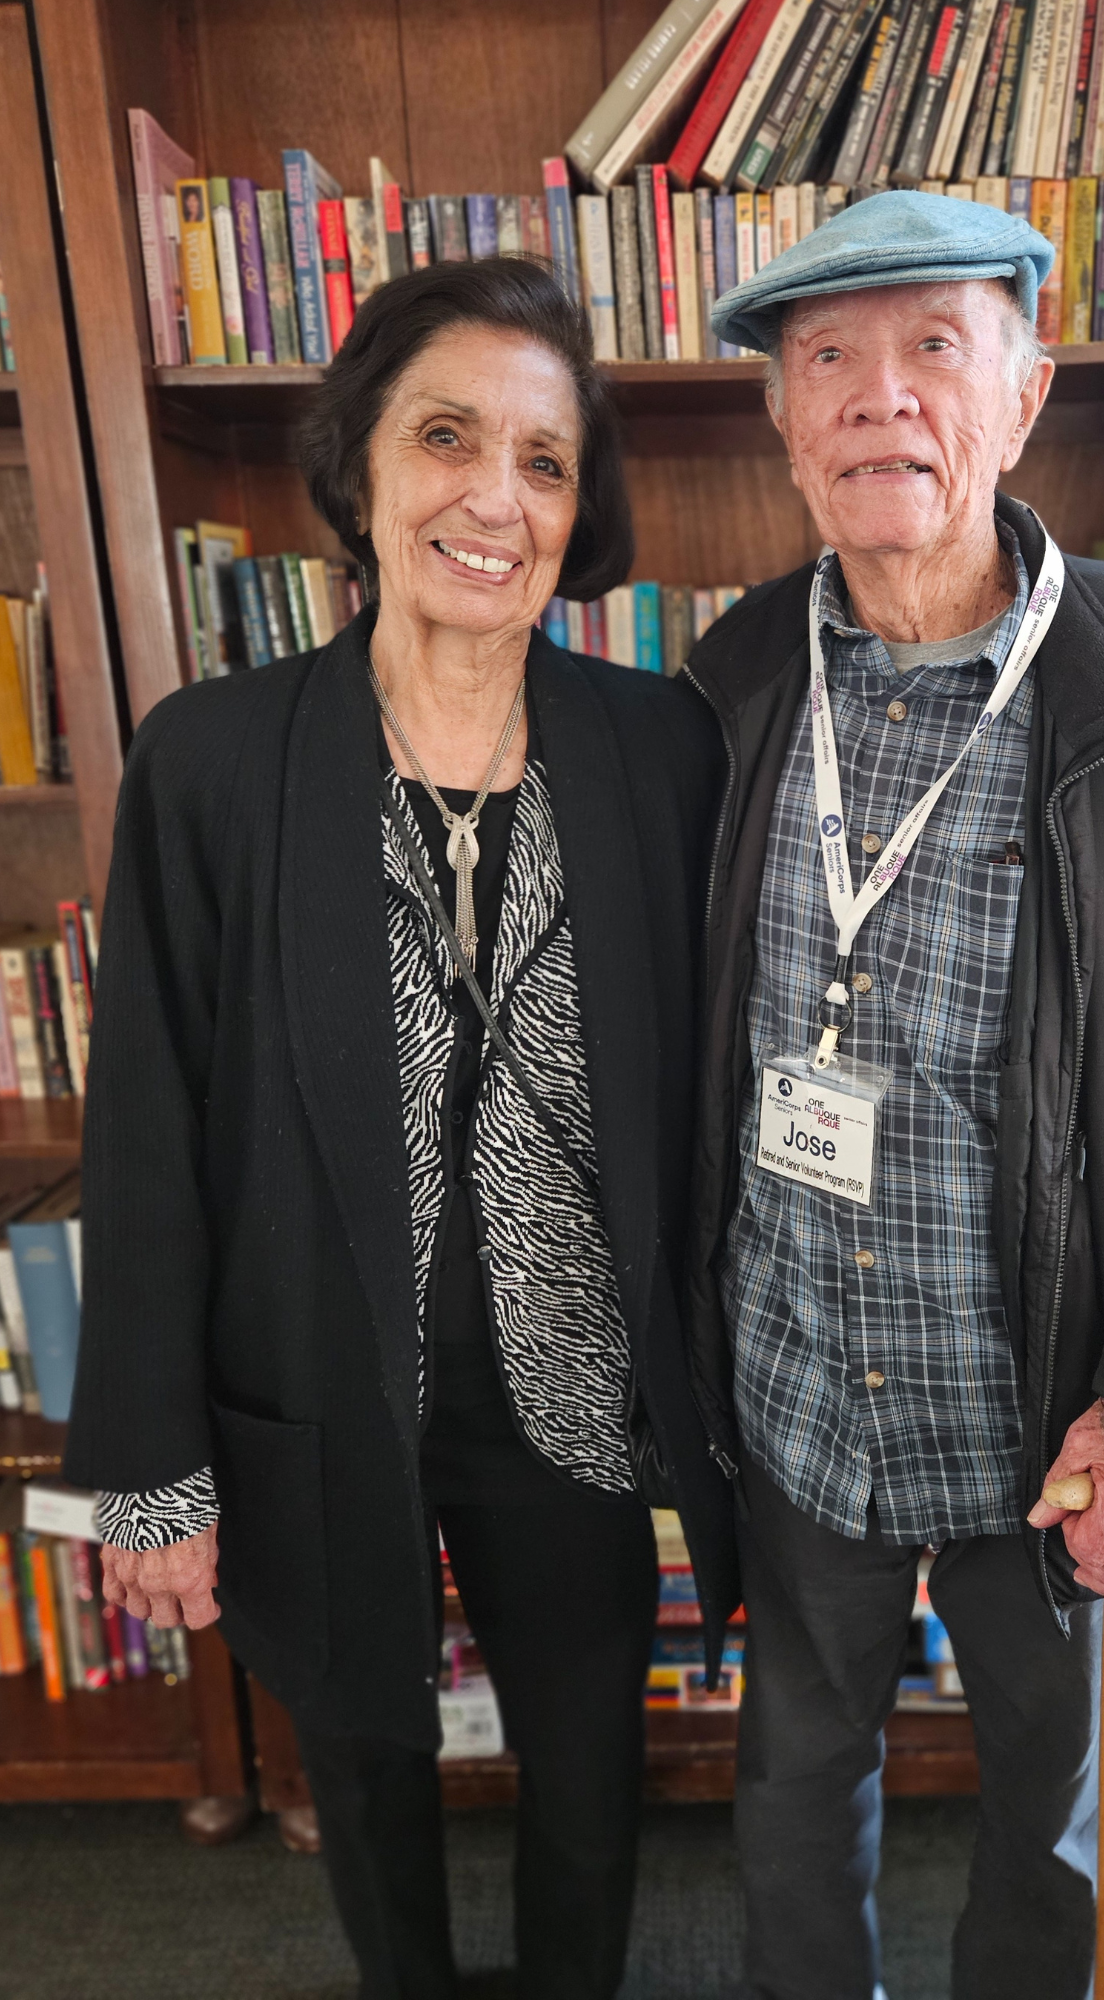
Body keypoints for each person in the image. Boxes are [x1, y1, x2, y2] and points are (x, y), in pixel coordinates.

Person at [680, 192, 1104, 2000]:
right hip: (791, 1383)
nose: (876, 396)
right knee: (794, 1775)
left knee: (1047, 1810)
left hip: (1056, 1410)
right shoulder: (729, 682)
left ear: (1028, 388)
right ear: (778, 417)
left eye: (933, 345)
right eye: (824, 357)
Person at [63, 258, 737, 2000]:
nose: (494, 499)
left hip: (573, 1388)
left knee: (592, 1767)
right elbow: (147, 1135)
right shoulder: (211, 761)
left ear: (581, 510)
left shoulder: (661, 745)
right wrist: (145, 1465)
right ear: (361, 461)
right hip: (311, 1387)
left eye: (545, 459)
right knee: (361, 1768)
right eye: (448, 436)